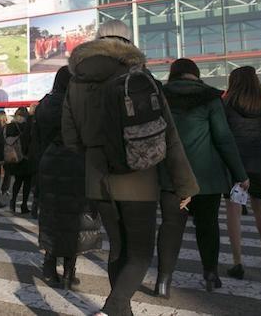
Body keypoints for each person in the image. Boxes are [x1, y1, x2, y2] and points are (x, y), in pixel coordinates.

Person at [62, 20, 198, 316]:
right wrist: (184, 184)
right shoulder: (139, 75)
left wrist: (95, 155)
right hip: (138, 173)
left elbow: (70, 136)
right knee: (140, 252)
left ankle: (121, 310)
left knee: (119, 248)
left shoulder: (76, 80)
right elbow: (168, 134)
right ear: (129, 42)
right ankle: (114, 307)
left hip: (97, 176)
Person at [155, 58, 248, 297]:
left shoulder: (160, 97)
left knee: (171, 226)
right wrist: (240, 174)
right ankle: (210, 274)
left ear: (173, 75)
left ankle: (163, 281)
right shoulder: (210, 98)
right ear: (196, 74)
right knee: (208, 227)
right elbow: (223, 139)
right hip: (205, 180)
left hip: (172, 178)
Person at [38, 66, 102, 289]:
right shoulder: (80, 104)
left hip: (49, 164)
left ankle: (49, 264)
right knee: (75, 218)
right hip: (77, 164)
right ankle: (69, 271)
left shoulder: (45, 104)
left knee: (52, 216)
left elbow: (37, 137)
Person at [223, 66, 261, 278]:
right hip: (259, 160)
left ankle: (237, 262)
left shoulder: (227, 103)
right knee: (259, 205)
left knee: (234, 210)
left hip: (236, 162)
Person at [4, 106, 35, 214]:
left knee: (17, 181)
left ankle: (13, 202)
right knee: (27, 182)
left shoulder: (10, 126)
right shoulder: (27, 126)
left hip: (14, 155)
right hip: (26, 156)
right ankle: (24, 205)